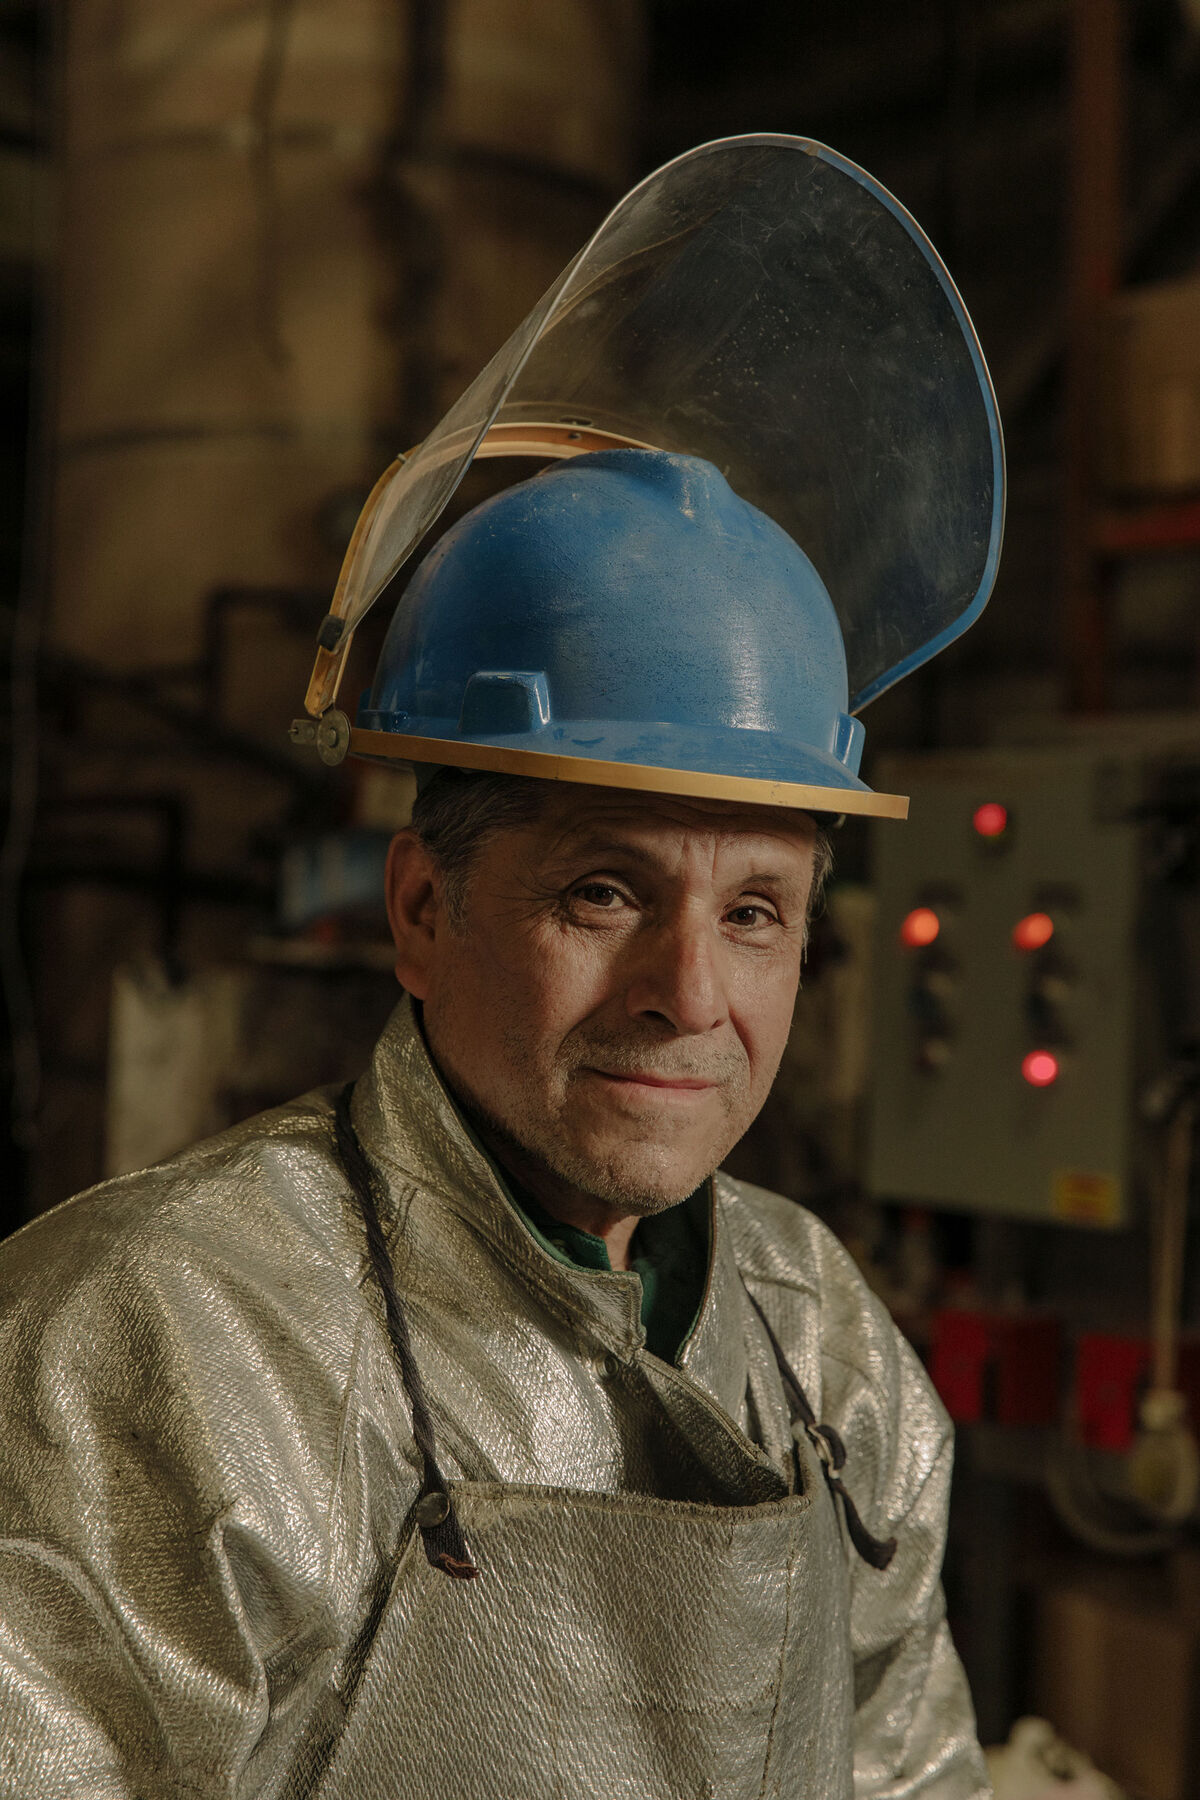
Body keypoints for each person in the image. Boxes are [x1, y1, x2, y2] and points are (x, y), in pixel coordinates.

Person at [0, 138, 1005, 1798]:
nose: (691, 993)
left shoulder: (821, 1342)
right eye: (604, 893)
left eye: (754, 911)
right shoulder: (157, 1346)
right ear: (420, 911)